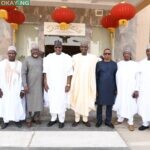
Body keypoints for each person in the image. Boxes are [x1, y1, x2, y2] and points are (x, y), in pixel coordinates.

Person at [43, 40, 73, 128]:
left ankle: (61, 120)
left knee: (61, 102)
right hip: (51, 84)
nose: (58, 49)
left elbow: (70, 73)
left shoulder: (67, 57)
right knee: (52, 102)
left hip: (62, 85)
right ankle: (53, 118)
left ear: (62, 47)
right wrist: (45, 83)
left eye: (59, 47)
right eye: (56, 47)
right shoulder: (49, 57)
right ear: (54, 48)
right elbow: (45, 72)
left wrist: (68, 84)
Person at [70, 41, 99, 127]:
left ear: (88, 48)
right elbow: (69, 68)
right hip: (77, 83)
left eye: (85, 47)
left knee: (86, 100)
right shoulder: (75, 57)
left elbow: (100, 60)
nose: (83, 48)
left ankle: (85, 119)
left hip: (87, 84)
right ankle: (77, 119)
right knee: (77, 100)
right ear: (80, 48)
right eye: (82, 47)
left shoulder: (92, 58)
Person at [113, 48, 138, 131]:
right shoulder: (119, 64)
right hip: (121, 89)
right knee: (121, 103)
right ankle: (120, 119)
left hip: (130, 89)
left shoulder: (135, 64)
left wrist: (136, 89)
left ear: (130, 55)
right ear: (123, 55)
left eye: (128, 53)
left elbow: (137, 77)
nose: (126, 55)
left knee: (130, 104)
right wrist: (116, 88)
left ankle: (131, 122)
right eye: (125, 53)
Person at [0, 46, 25, 129]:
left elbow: (22, 78)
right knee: (5, 104)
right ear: (7, 54)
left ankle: (17, 120)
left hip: (16, 89)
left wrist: (22, 90)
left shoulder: (20, 64)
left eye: (13, 53)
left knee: (16, 104)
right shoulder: (2, 63)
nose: (11, 55)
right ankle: (5, 121)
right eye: (10, 53)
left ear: (15, 54)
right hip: (5, 89)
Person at [22, 43, 43, 127]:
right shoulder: (27, 60)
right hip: (29, 85)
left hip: (39, 85)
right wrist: (25, 85)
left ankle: (36, 118)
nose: (35, 52)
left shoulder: (41, 59)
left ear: (38, 51)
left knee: (39, 102)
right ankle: (28, 119)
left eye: (36, 50)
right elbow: (23, 73)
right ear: (31, 51)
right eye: (33, 50)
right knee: (29, 103)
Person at [96, 48, 117, 129]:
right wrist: (96, 89)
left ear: (110, 55)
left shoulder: (114, 64)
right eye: (105, 54)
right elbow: (96, 77)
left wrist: (115, 88)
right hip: (101, 88)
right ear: (103, 54)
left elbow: (116, 77)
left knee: (109, 106)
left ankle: (108, 121)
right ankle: (99, 121)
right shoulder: (99, 64)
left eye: (109, 54)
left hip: (111, 88)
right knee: (99, 105)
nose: (107, 55)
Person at [137, 45, 150, 131]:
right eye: (147, 51)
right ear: (146, 52)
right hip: (144, 89)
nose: (149, 52)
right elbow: (138, 77)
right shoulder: (141, 63)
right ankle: (145, 123)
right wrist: (136, 89)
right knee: (144, 106)